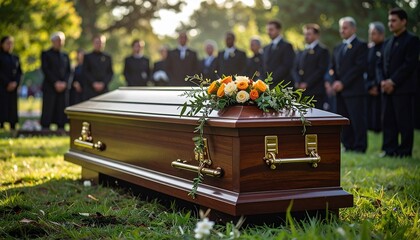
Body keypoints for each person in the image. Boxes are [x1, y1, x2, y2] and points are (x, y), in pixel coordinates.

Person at [377, 8, 420, 157]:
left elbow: (409, 64)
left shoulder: (412, 40)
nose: (390, 24)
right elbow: (380, 64)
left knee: (404, 122)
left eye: (394, 20)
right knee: (388, 120)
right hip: (386, 88)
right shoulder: (387, 42)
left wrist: (392, 81)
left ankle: (404, 151)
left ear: (404, 21)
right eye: (389, 21)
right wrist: (382, 81)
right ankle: (389, 150)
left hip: (403, 88)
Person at [330, 17, 368, 153]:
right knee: (343, 119)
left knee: (357, 119)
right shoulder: (338, 47)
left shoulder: (361, 46)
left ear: (353, 29)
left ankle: (360, 146)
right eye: (341, 27)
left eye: (345, 28)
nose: (342, 30)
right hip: (339, 91)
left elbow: (359, 68)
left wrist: (343, 83)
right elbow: (332, 67)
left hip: (354, 90)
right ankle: (347, 144)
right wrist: (334, 81)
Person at [292, 23, 329, 109]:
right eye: (305, 34)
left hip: (315, 92)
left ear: (316, 35)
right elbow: (294, 69)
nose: (306, 36)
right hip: (301, 92)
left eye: (309, 34)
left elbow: (321, 70)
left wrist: (307, 83)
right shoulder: (301, 51)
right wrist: (298, 82)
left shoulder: (322, 51)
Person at [40, 32, 71, 130]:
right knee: (49, 107)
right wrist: (55, 82)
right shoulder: (46, 54)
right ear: (52, 41)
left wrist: (65, 83)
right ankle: (46, 127)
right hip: (50, 86)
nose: (60, 43)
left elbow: (69, 71)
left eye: (61, 41)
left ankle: (61, 126)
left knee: (61, 107)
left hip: (63, 87)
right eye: (58, 41)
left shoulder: (65, 56)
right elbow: (46, 69)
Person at [366, 22, 385, 133]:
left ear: (381, 34)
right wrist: (369, 86)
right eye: (370, 33)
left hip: (381, 86)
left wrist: (377, 85)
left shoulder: (385, 47)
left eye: (374, 33)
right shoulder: (369, 49)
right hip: (369, 87)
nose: (371, 36)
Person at [263, 20, 295, 86]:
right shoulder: (266, 47)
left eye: (271, 30)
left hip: (282, 85)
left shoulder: (287, 46)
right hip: (267, 86)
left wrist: (271, 79)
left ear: (279, 30)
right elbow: (263, 65)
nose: (268, 32)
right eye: (268, 30)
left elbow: (286, 66)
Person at [0, 36, 22, 130]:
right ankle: (1, 124)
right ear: (2, 44)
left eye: (11, 43)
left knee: (12, 106)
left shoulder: (15, 57)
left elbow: (19, 72)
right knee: (2, 105)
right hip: (2, 86)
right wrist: (7, 83)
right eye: (7, 43)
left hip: (13, 86)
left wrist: (15, 83)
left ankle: (13, 124)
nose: (9, 45)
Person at [82, 35, 113, 100]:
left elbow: (110, 73)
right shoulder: (87, 57)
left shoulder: (108, 57)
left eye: (101, 42)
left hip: (104, 90)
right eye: (97, 42)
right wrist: (93, 83)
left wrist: (103, 83)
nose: (99, 44)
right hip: (90, 90)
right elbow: (85, 72)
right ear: (93, 43)